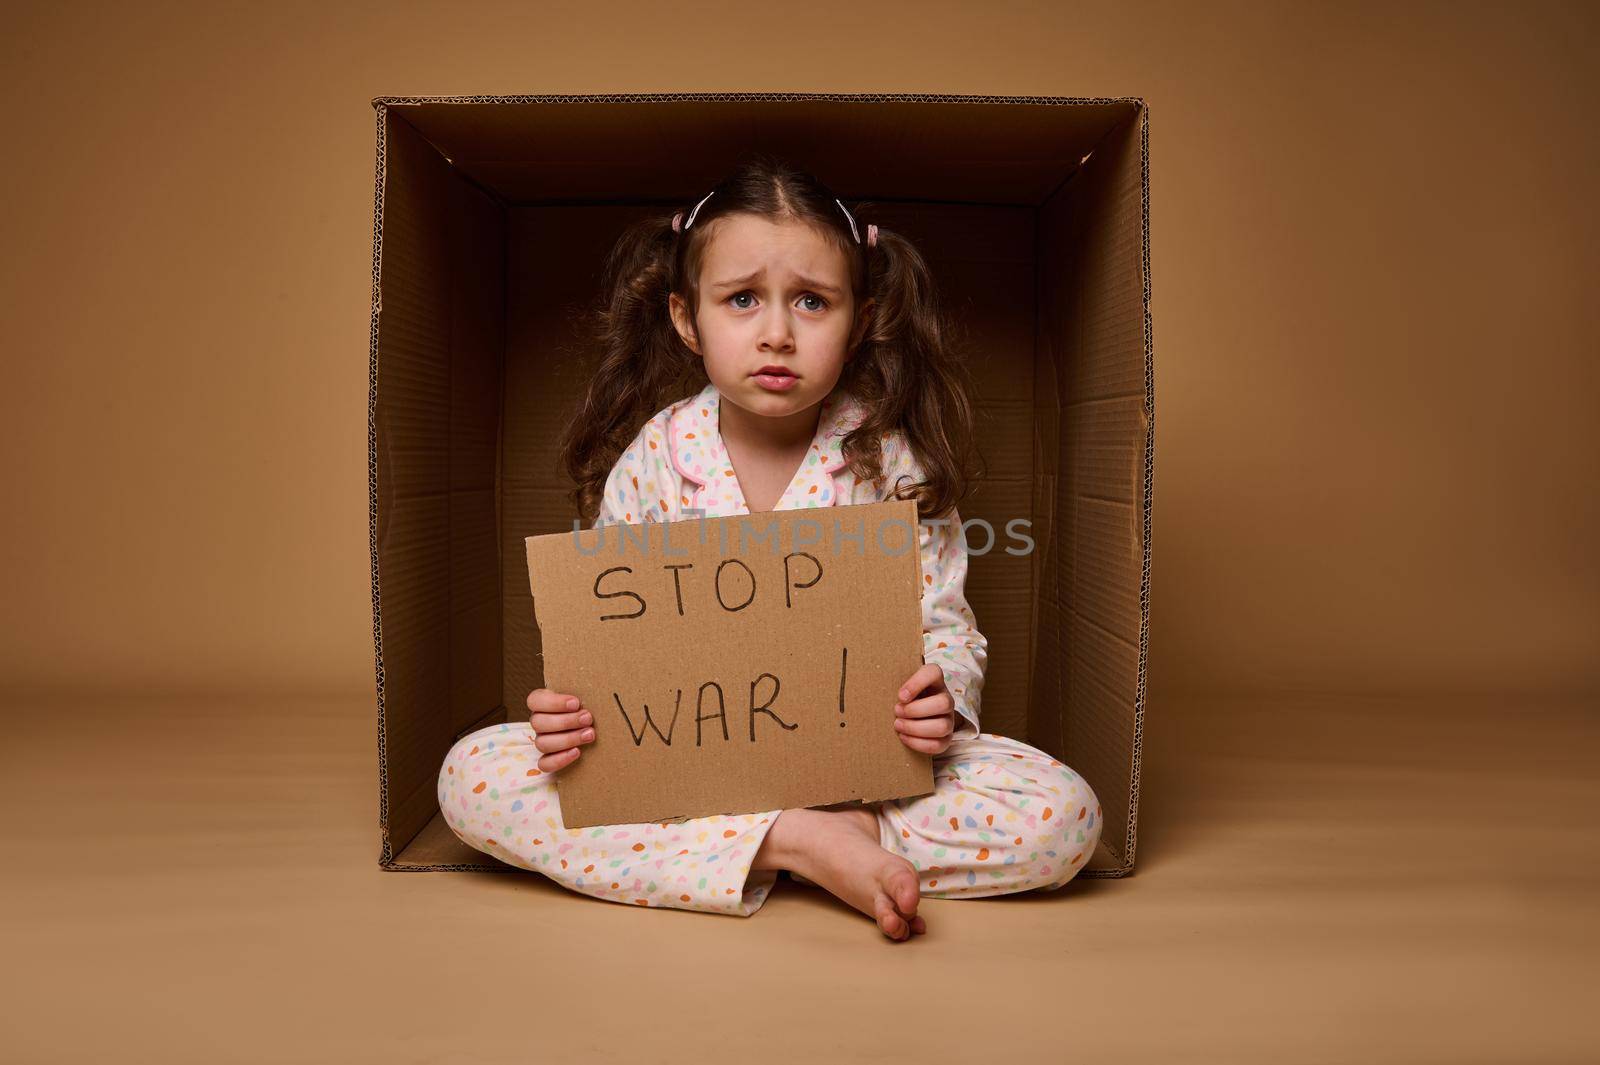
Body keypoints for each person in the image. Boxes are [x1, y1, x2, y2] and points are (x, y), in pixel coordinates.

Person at [438, 156, 1102, 941]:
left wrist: (940, 698)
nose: (778, 333)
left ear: (858, 321)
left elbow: (947, 627)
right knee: (472, 775)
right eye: (743, 299)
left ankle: (837, 837)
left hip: (865, 781)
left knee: (1064, 815)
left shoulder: (890, 463)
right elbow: (614, 652)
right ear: (688, 319)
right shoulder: (656, 459)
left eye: (813, 302)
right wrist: (572, 714)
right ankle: (797, 844)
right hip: (690, 780)